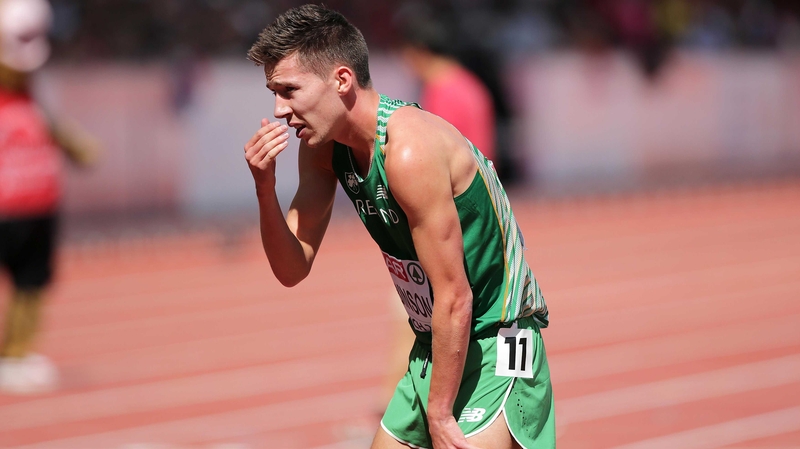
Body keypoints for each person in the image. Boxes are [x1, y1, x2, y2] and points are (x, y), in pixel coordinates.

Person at [244, 5, 553, 449]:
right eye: (274, 92)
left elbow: (455, 296)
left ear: (342, 80)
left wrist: (440, 414)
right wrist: (264, 189)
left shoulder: (408, 151)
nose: (279, 110)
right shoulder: (321, 148)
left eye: (289, 91)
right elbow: (291, 269)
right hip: (437, 344)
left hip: (499, 339)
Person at [0, 0, 97, 394]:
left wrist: (78, 147)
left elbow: (75, 144)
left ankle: (15, 354)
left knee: (31, 285)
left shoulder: (38, 100)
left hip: (40, 208)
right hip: (5, 211)